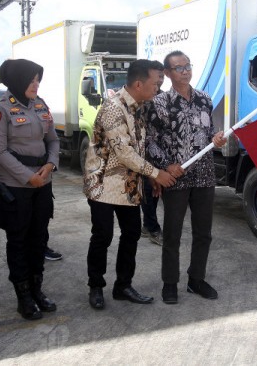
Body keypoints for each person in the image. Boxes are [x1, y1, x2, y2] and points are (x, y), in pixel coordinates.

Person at [83, 59, 176, 310]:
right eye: (156, 83)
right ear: (138, 83)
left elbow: (139, 146)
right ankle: (96, 286)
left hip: (129, 184)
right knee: (102, 236)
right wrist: (156, 173)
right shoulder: (114, 108)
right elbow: (124, 152)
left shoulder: (141, 106)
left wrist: (147, 177)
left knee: (132, 233)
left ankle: (123, 285)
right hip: (103, 184)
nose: (158, 88)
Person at [146, 50, 227, 305]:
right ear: (167, 74)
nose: (185, 71)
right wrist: (166, 166)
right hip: (176, 178)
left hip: (204, 175)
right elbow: (150, 141)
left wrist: (217, 140)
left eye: (188, 66)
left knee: (203, 232)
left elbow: (209, 132)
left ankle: (196, 280)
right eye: (178, 68)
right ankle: (170, 283)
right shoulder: (159, 103)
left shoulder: (204, 98)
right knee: (172, 233)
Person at [0, 59, 59, 321]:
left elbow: (53, 140)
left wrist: (50, 165)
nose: (36, 84)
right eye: (31, 79)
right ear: (17, 80)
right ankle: (24, 296)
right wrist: (29, 177)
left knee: (39, 238)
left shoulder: (41, 105)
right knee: (18, 240)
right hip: (16, 186)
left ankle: (37, 290)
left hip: (43, 182)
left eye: (38, 79)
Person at [140, 68, 167, 246]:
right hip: (145, 153)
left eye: (162, 77)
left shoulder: (164, 97)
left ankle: (146, 225)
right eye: (157, 78)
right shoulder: (143, 99)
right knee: (148, 192)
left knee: (155, 193)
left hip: (161, 153)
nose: (160, 81)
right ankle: (153, 229)